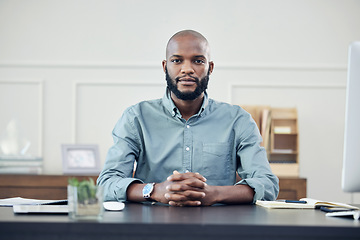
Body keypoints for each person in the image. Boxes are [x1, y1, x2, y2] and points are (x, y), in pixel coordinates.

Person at [97, 30, 279, 206]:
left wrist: (214, 194)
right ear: (165, 66)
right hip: (151, 229)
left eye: (198, 61)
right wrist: (154, 191)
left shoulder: (238, 120)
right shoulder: (136, 117)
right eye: (177, 60)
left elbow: (267, 184)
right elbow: (107, 183)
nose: (187, 69)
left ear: (210, 68)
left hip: (218, 229)